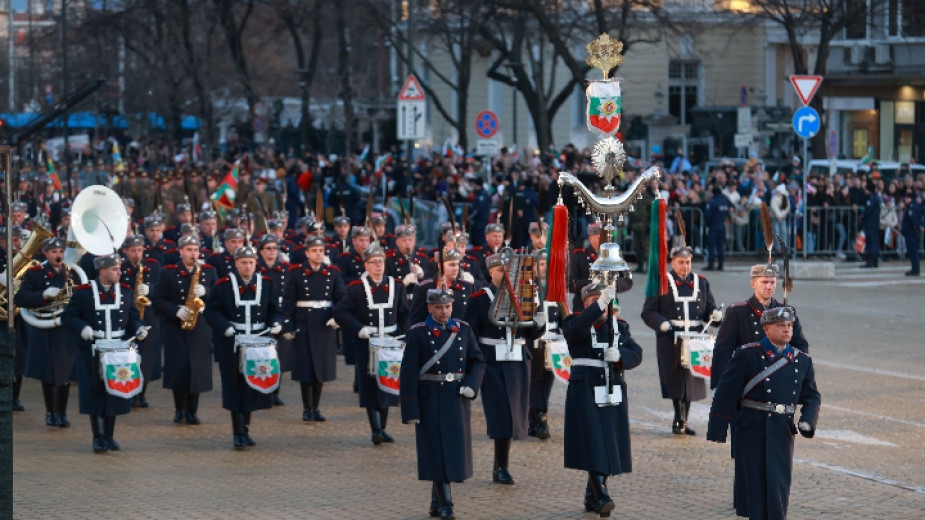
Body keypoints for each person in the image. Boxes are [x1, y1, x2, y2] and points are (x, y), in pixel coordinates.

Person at [707, 306, 821, 520]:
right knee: (756, 486)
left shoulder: (802, 360)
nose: (787, 330)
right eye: (781, 326)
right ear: (766, 329)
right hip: (752, 429)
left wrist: (808, 420)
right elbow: (726, 393)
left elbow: (812, 396)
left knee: (779, 485)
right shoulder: (747, 354)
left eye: (789, 326)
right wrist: (718, 429)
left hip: (781, 430)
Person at [400, 287, 486, 520]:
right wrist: (410, 408)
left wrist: (472, 384)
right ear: (429, 308)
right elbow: (408, 374)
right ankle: (446, 503)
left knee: (452, 450)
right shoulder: (417, 333)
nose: (444, 311)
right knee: (436, 451)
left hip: (456, 397)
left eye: (447, 306)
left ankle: (436, 502)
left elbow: (478, 362)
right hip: (430, 398)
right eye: (439, 307)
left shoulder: (463, 330)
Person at [561, 282, 643, 518]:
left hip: (612, 386)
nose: (602, 307)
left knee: (607, 441)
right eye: (594, 302)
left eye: (604, 301)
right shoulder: (574, 322)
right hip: (585, 386)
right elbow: (575, 332)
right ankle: (603, 495)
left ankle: (592, 495)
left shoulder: (620, 326)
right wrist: (598, 306)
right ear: (586, 304)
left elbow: (636, 353)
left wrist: (620, 357)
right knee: (592, 440)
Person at [62, 253, 147, 453]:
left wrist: (139, 329)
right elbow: (68, 316)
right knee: (95, 392)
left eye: (119, 269)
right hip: (93, 349)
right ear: (102, 271)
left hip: (118, 350)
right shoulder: (83, 293)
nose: (120, 272)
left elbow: (133, 317)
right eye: (115, 269)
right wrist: (82, 327)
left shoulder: (125, 292)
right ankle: (97, 437)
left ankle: (109, 436)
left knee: (114, 391)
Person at [204, 245, 283, 449]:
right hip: (231, 343)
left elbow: (275, 309)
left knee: (250, 386)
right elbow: (211, 312)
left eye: (251, 262)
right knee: (233, 387)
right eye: (244, 263)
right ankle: (237, 433)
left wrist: (276, 323)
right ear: (236, 263)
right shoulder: (222, 285)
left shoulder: (266, 284)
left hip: (257, 343)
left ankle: (245, 430)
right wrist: (225, 327)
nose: (248, 267)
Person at [465, 252, 531, 485]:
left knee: (515, 413)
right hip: (492, 362)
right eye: (500, 270)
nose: (504, 274)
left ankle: (502, 464)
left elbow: (530, 333)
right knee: (500, 414)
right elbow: (469, 335)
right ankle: (500, 467)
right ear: (491, 272)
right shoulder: (480, 299)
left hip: (517, 361)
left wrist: (539, 323)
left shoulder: (523, 296)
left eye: (508, 270)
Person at [333, 244, 409, 445]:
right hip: (367, 344)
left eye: (381, 261)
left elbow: (404, 314)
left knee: (388, 383)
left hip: (391, 343)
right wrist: (359, 328)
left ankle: (382, 429)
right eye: (373, 262)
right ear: (365, 265)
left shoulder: (397, 286)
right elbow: (340, 312)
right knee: (369, 386)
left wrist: (404, 335)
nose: (378, 266)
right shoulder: (356, 288)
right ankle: (375, 429)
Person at [642, 244, 721, 434]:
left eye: (688, 262)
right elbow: (648, 312)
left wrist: (715, 315)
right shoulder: (660, 282)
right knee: (675, 378)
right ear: (672, 262)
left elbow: (709, 308)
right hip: (671, 337)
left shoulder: (702, 282)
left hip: (696, 338)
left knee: (692, 378)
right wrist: (661, 324)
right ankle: (678, 418)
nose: (685, 266)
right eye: (681, 262)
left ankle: (684, 420)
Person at [15, 237, 84, 428]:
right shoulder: (35, 273)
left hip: (64, 327)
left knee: (65, 373)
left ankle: (62, 413)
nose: (59, 255)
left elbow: (81, 296)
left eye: (61, 251)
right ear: (46, 254)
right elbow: (19, 298)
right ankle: (50, 412)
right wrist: (43, 296)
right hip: (43, 327)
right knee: (48, 373)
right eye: (54, 252)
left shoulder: (71, 273)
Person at [151, 234, 216, 425]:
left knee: (197, 368)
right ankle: (179, 409)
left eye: (196, 249)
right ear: (180, 251)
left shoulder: (208, 271)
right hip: (176, 325)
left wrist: (207, 292)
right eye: (189, 249)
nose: (193, 253)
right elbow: (157, 300)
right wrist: (176, 310)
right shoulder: (168, 272)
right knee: (179, 367)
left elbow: (221, 294)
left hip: (200, 325)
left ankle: (192, 410)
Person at [282, 236, 346, 421]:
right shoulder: (296, 273)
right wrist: (288, 325)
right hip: (303, 323)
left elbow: (342, 297)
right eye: (314, 250)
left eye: (321, 250)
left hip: (324, 324)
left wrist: (337, 316)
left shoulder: (333, 273)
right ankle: (306, 407)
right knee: (305, 368)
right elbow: (288, 301)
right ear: (307, 253)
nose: (318, 254)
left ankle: (316, 408)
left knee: (321, 368)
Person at [120, 234, 162, 408]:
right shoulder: (120, 267)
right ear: (125, 251)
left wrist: (150, 289)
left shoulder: (152, 265)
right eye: (133, 251)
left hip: (149, 315)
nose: (137, 254)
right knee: (129, 355)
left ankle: (141, 394)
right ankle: (129, 392)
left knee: (148, 357)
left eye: (140, 250)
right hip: (128, 316)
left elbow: (161, 287)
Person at [409, 248, 475, 325]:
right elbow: (415, 321)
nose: (456, 269)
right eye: (452, 265)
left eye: (457, 264)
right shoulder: (424, 288)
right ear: (440, 265)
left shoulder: (468, 286)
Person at [704, 184, 731, 271]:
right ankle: (720, 265)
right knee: (720, 246)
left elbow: (708, 215)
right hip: (722, 226)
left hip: (714, 226)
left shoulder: (713, 202)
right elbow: (727, 212)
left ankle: (711, 265)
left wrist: (707, 224)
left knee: (712, 246)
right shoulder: (724, 201)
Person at [901, 192, 924, 276]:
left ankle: (915, 269)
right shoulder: (915, 206)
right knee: (913, 251)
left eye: (908, 198)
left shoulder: (912, 207)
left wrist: (918, 226)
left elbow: (912, 218)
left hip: (911, 232)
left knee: (913, 251)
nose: (906, 200)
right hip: (912, 231)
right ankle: (915, 268)